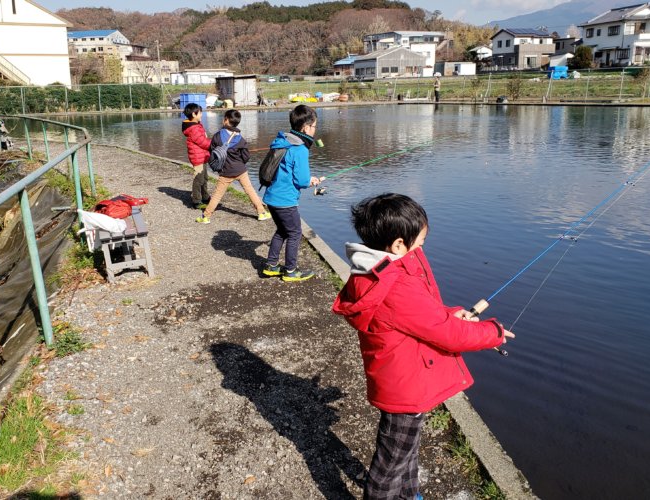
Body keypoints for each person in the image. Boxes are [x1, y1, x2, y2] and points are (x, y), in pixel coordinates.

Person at [332, 193, 514, 500]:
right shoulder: (394, 285)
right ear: (398, 244)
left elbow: (425, 315)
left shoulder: (387, 264)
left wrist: (449, 313)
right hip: (406, 387)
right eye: (421, 240)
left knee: (406, 450)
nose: (423, 246)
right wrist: (491, 331)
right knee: (389, 465)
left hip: (407, 376)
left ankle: (409, 494)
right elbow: (446, 334)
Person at [260, 104, 322, 282]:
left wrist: (308, 179)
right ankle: (290, 271)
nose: (314, 130)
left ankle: (271, 266)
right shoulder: (300, 149)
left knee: (282, 230)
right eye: (314, 126)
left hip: (271, 197)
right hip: (285, 200)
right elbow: (302, 180)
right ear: (306, 127)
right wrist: (312, 180)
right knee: (295, 233)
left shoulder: (283, 141)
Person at [196, 109, 270, 224]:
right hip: (240, 170)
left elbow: (213, 151)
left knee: (217, 195)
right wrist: (239, 162)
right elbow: (246, 157)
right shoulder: (240, 139)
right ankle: (261, 213)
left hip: (225, 171)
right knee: (250, 190)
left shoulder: (217, 136)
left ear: (226, 120)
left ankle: (206, 216)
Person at [181, 103, 212, 209]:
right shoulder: (194, 128)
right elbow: (202, 142)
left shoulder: (197, 125)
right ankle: (197, 201)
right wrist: (214, 144)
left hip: (202, 156)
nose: (201, 114)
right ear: (194, 114)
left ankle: (205, 196)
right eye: (200, 112)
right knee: (199, 179)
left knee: (204, 178)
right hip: (197, 157)